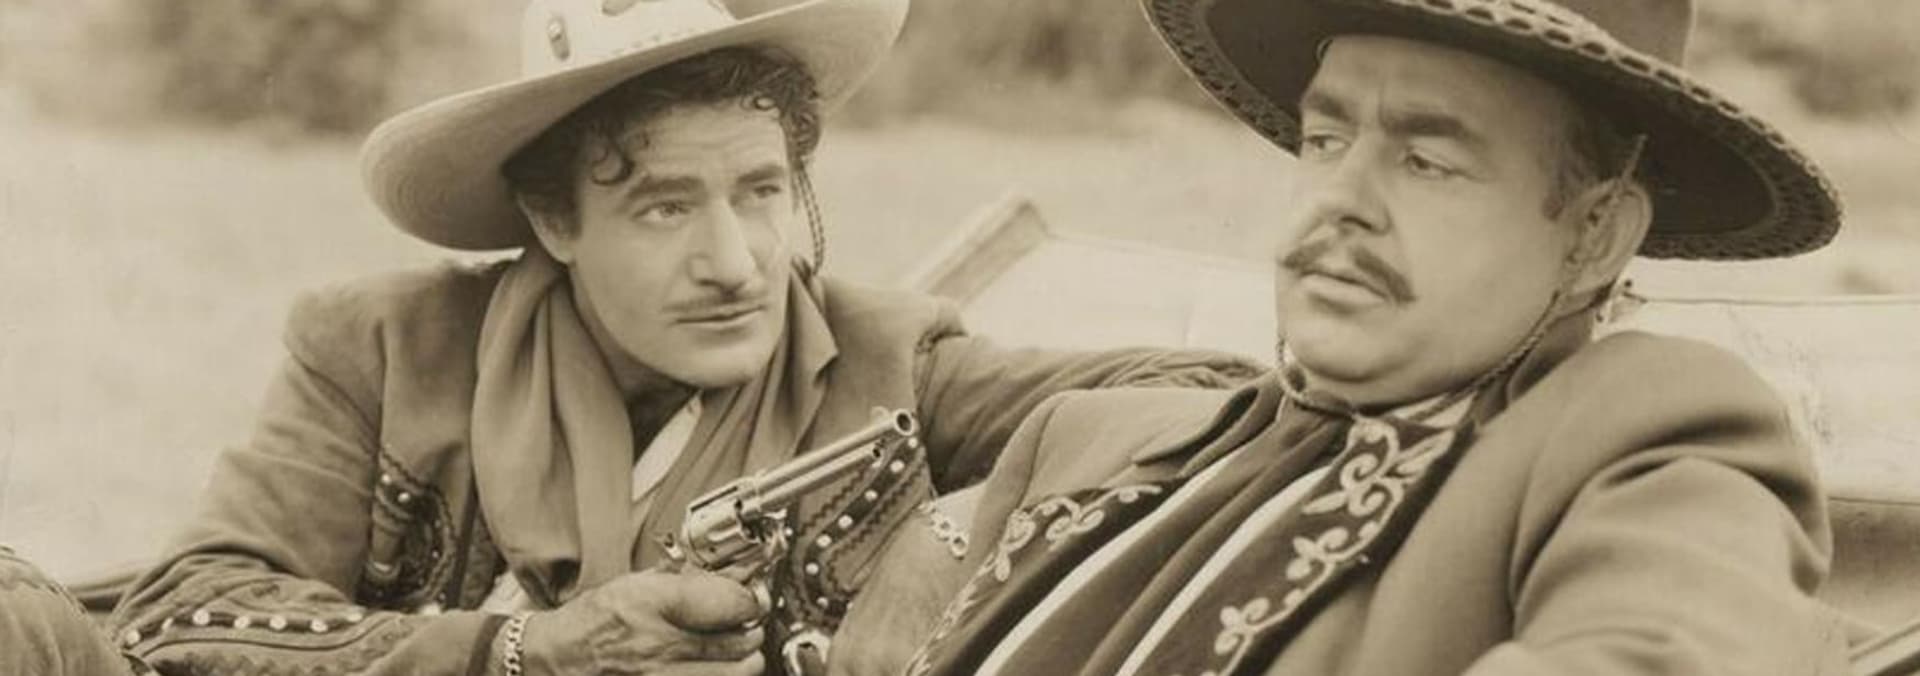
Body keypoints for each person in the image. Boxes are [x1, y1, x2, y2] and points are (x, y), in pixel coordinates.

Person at [0, 0, 1265, 674]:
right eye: (664, 206)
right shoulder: (385, 351)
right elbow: (188, 615)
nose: (736, 260)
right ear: (552, 219)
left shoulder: (889, 359)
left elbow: (1221, 395)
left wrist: (949, 531)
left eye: (761, 192)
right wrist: (524, 650)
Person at [833, 0, 1857, 674]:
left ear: (1596, 235)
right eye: (1326, 139)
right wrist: (937, 533)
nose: (1339, 200)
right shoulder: (1085, 437)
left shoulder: (1650, 434)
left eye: (1427, 161)